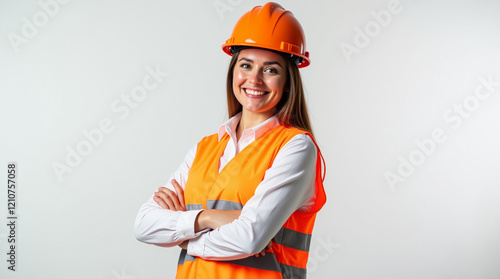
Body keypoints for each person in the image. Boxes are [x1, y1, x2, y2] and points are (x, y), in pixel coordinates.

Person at [134, 2, 326, 278]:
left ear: (288, 81)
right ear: (233, 69)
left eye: (271, 70)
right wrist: (208, 218)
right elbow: (143, 225)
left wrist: (183, 237)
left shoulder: (295, 147)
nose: (255, 79)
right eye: (246, 65)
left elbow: (248, 237)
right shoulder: (206, 147)